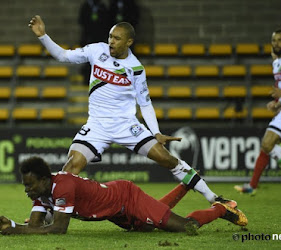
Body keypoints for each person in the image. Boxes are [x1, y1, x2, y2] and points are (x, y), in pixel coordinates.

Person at [28, 15, 236, 208]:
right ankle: (46, 213)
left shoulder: (136, 68)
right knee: (70, 168)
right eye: (110, 36)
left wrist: (155, 132)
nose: (111, 41)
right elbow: (63, 56)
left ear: (129, 42)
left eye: (117, 38)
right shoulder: (96, 50)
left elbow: (145, 103)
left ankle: (213, 198)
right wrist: (43, 36)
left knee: (167, 159)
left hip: (126, 125)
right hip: (97, 125)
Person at [0, 157, 247, 235]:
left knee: (186, 227)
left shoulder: (61, 186)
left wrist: (16, 230)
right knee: (148, 226)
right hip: (115, 212)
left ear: (43, 180)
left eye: (30, 185)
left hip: (126, 198)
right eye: (26, 186)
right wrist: (10, 225)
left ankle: (222, 209)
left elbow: (58, 229)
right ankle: (185, 186)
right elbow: (34, 226)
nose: (27, 190)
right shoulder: (41, 193)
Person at [235, 29, 281, 195]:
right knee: (267, 144)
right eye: (274, 40)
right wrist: (277, 103)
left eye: (280, 40)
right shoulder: (276, 63)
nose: (276, 43)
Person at [78, 0, 110, 84]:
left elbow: (107, 22)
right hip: (88, 38)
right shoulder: (86, 6)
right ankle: (86, 79)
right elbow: (81, 20)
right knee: (88, 60)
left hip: (99, 38)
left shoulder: (102, 6)